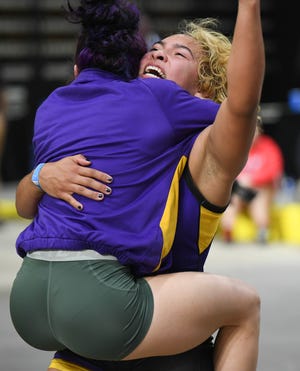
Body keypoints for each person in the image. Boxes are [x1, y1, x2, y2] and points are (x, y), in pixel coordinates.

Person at [10, 2, 265, 371]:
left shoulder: (209, 152)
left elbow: (241, 106)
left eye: (178, 54)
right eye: (155, 49)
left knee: (245, 305)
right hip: (94, 338)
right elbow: (24, 203)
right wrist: (41, 175)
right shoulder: (126, 124)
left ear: (205, 90)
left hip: (142, 337)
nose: (159, 53)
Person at [221, 117, 284, 243]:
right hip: (239, 189)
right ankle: (228, 229)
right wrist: (240, 180)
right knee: (232, 200)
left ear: (259, 131)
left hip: (259, 189)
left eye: (254, 131)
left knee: (259, 200)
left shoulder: (268, 146)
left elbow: (274, 169)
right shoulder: (235, 146)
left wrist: (253, 180)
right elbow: (225, 168)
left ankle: (262, 230)